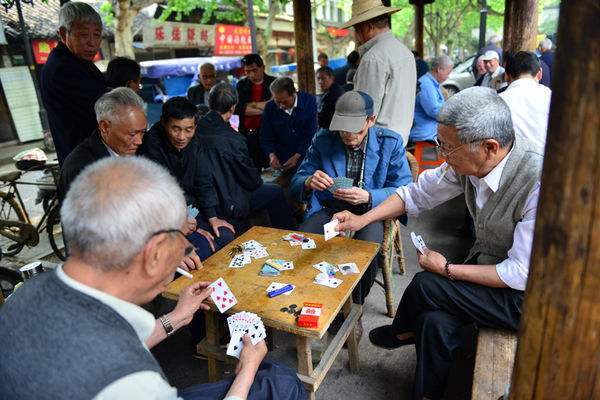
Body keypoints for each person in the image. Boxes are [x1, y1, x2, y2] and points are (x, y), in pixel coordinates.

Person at [0, 156, 307, 400]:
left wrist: (176, 316)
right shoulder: (130, 382)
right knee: (282, 383)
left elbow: (116, 344)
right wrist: (248, 368)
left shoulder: (30, 292)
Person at [334, 87, 542, 400]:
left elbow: (518, 274)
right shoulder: (467, 164)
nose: (442, 156)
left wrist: (447, 269)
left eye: (449, 148)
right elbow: (414, 195)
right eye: (440, 144)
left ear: (489, 147)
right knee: (433, 323)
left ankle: (401, 330)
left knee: (427, 284)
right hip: (491, 271)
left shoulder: (538, 181)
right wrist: (363, 220)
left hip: (526, 299)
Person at [291, 90, 413, 316]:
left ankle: (353, 309)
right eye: (343, 128)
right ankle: (314, 298)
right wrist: (308, 181)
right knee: (302, 244)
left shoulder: (391, 142)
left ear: (371, 120)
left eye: (355, 128)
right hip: (331, 208)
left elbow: (405, 190)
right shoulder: (323, 139)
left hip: (372, 211)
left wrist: (369, 196)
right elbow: (297, 180)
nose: (347, 135)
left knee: (365, 254)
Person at [59, 88, 202, 272]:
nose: (139, 141)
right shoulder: (83, 169)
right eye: (132, 134)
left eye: (143, 132)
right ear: (105, 127)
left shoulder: (128, 151)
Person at [139, 96, 235, 260]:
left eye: (188, 130)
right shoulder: (150, 145)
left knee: (225, 234)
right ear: (163, 122)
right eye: (175, 129)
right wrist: (189, 227)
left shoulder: (195, 142)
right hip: (165, 219)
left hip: (192, 209)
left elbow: (203, 181)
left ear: (195, 126)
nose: (182, 137)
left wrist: (212, 218)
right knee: (204, 247)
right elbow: (159, 195)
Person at [195, 82, 295, 234]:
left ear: (210, 103)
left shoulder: (195, 129)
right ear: (233, 107)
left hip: (204, 200)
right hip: (228, 202)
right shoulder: (234, 139)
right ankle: (289, 236)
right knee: (275, 191)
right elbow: (251, 180)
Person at [341, 0, 416, 146]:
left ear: (368, 27)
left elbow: (364, 114)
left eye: (357, 30)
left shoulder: (373, 58)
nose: (356, 36)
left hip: (378, 146)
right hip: (399, 142)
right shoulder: (406, 52)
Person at [41, 1, 107, 164]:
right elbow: (104, 109)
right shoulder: (62, 69)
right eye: (84, 34)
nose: (92, 42)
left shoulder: (78, 61)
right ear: (63, 34)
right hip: (84, 161)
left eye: (97, 34)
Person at [260, 77, 318, 184]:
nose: (281, 106)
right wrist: (271, 155)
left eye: (285, 101)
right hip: (282, 162)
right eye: (277, 102)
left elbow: (311, 134)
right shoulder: (270, 108)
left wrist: (297, 155)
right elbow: (265, 136)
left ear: (294, 93)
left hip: (306, 159)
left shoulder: (309, 101)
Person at [500, 51, 552, 150]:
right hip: (547, 161)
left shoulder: (499, 101)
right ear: (540, 73)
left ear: (506, 75)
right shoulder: (551, 97)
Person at [235, 54, 276, 169]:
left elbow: (275, 107)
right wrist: (265, 106)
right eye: (247, 72)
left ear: (263, 67)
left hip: (269, 134)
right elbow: (238, 109)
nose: (251, 75)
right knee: (251, 168)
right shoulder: (241, 85)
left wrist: (251, 105)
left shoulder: (274, 83)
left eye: (254, 70)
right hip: (247, 134)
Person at [409, 55, 453, 143]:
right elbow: (434, 111)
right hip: (424, 137)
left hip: (429, 134)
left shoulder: (431, 83)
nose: (448, 76)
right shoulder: (426, 85)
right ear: (439, 69)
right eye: (448, 73)